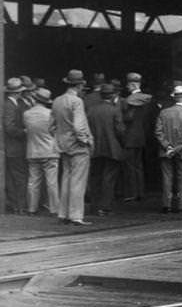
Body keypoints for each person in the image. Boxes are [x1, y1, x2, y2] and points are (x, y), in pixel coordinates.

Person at [51, 70, 95, 226]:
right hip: (77, 146)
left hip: (63, 145)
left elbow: (51, 126)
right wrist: (86, 141)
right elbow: (78, 126)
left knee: (66, 179)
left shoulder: (57, 100)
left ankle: (63, 213)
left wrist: (61, 137)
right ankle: (76, 215)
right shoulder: (77, 102)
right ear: (79, 85)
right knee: (78, 181)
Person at [155, 84, 182, 213]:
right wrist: (176, 148)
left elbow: (158, 132)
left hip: (165, 150)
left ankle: (166, 204)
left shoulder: (163, 112)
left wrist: (168, 146)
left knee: (167, 177)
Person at [86, 83, 126, 217]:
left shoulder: (91, 110)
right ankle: (105, 207)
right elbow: (120, 131)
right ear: (113, 95)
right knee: (109, 179)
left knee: (95, 178)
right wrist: (122, 144)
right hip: (112, 148)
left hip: (94, 149)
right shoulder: (115, 110)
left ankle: (94, 207)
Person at [23, 86, 60, 216]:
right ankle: (54, 208)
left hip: (32, 151)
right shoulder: (50, 114)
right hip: (50, 151)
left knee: (33, 181)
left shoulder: (26, 114)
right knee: (52, 182)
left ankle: (31, 209)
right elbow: (55, 131)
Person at [121, 72, 152, 202]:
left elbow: (128, 118)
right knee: (138, 166)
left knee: (130, 166)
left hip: (130, 137)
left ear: (133, 84)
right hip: (141, 136)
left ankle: (132, 193)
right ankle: (140, 192)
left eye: (128, 84)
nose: (127, 87)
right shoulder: (146, 99)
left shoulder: (132, 100)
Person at [4, 76, 28, 214]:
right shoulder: (10, 106)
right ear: (17, 92)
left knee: (16, 177)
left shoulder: (13, 104)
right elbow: (9, 127)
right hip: (15, 147)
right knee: (19, 177)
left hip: (15, 147)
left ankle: (16, 205)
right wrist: (24, 131)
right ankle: (19, 206)